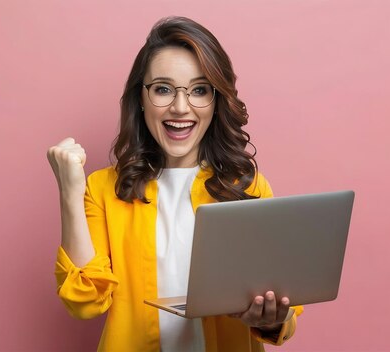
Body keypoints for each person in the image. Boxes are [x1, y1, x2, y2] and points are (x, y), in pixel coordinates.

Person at [47, 16, 303, 351]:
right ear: (141, 97)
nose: (180, 107)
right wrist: (69, 191)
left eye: (199, 90)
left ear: (216, 100)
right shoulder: (103, 189)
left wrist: (273, 317)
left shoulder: (248, 187)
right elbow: (83, 302)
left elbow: (284, 317)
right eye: (164, 89)